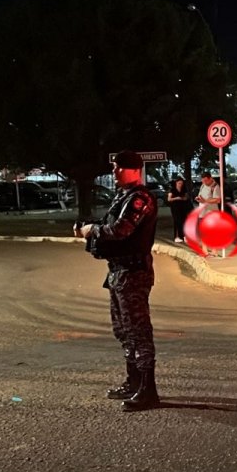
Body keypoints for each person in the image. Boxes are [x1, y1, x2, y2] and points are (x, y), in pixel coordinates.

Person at [74, 151, 161, 411]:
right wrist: (90, 228)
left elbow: (122, 230)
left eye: (118, 168)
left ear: (134, 169)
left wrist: (93, 231)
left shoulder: (140, 198)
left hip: (133, 273)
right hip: (119, 272)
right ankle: (133, 382)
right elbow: (111, 225)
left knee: (138, 331)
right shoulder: (124, 196)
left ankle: (148, 390)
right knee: (123, 331)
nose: (114, 173)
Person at [195, 172, 222, 256]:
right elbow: (200, 195)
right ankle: (204, 249)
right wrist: (198, 198)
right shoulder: (203, 185)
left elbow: (217, 200)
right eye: (203, 180)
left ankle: (214, 250)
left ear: (210, 178)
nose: (204, 182)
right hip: (202, 212)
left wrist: (205, 201)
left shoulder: (215, 186)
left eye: (206, 180)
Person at [167, 177, 192, 243]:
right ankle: (177, 236)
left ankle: (184, 236)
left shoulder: (184, 189)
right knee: (177, 221)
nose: (180, 185)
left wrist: (184, 198)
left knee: (184, 221)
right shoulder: (172, 190)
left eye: (181, 183)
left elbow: (186, 197)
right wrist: (176, 198)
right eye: (179, 183)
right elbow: (169, 199)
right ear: (176, 183)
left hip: (183, 207)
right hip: (175, 208)